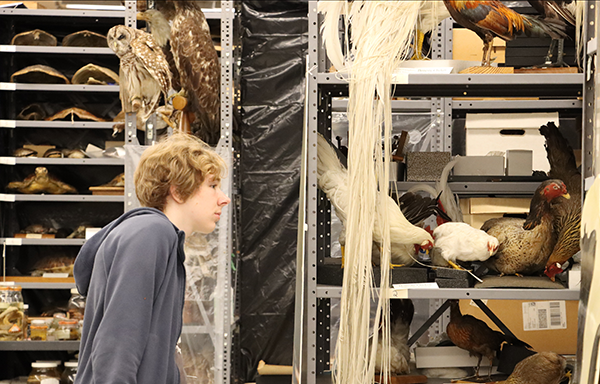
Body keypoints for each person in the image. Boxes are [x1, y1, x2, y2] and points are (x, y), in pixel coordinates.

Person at [73, 133, 231, 384]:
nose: (224, 198)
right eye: (212, 186)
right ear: (178, 192)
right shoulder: (150, 234)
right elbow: (117, 344)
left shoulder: (160, 237)